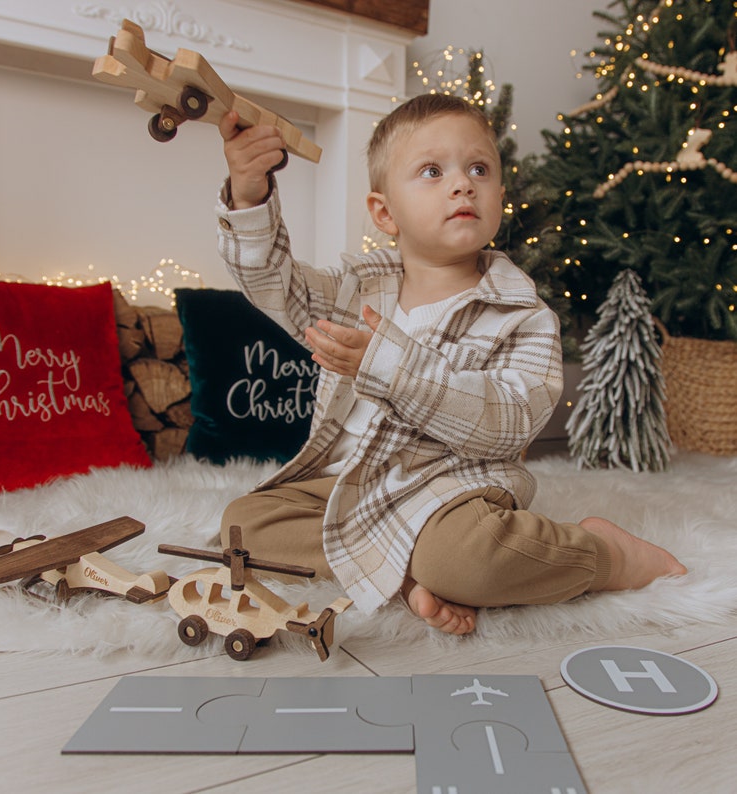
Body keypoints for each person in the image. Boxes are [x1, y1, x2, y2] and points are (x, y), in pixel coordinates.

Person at [214, 93, 686, 636]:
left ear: (499, 197)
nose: (462, 184)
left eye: (478, 169)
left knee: (469, 559)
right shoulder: (356, 290)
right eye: (433, 171)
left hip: (451, 493)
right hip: (349, 484)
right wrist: (249, 194)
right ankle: (406, 572)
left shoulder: (523, 315)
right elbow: (275, 285)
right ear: (384, 212)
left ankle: (607, 555)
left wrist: (389, 366)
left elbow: (509, 422)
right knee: (243, 525)